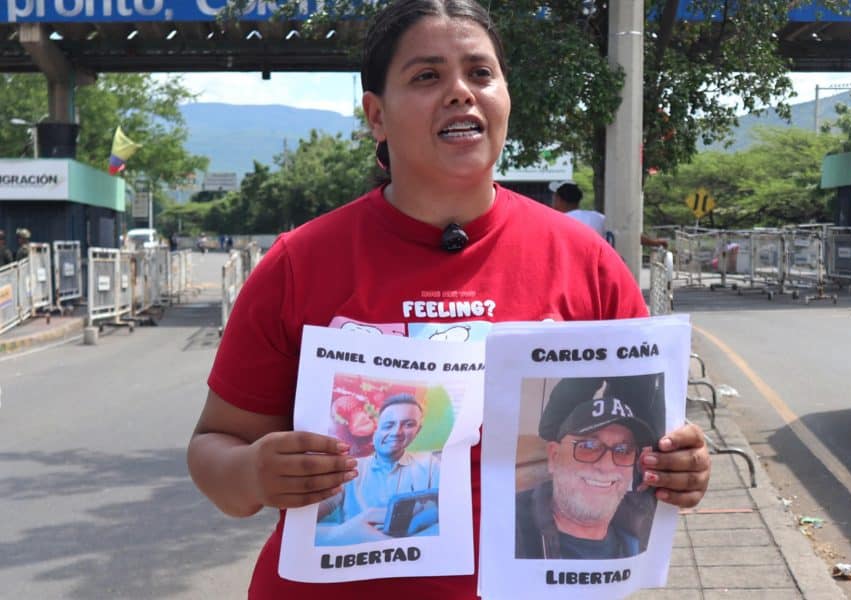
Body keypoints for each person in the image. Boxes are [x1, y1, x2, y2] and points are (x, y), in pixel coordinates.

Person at [187, 2, 710, 598]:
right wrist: (253, 471)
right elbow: (213, 449)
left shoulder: (586, 262)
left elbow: (656, 448)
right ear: (376, 116)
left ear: (506, 98)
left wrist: (681, 468)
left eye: (481, 73)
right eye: (427, 76)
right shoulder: (298, 264)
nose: (461, 92)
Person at [515, 376, 660, 559]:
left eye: (623, 450)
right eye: (588, 447)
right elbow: (549, 429)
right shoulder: (510, 524)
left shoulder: (643, 526)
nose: (606, 466)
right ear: (554, 455)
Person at [315, 393, 440, 544]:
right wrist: (340, 534)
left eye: (408, 424)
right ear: (376, 426)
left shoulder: (432, 464)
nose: (396, 433)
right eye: (388, 425)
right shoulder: (350, 468)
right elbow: (301, 527)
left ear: (417, 431)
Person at [549, 181, 670, 248]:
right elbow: (628, 235)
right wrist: (655, 242)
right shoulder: (597, 217)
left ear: (559, 199)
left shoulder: (556, 222)